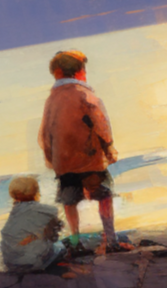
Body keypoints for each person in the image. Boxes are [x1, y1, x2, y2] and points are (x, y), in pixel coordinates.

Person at [38, 49, 129, 252]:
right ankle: (111, 240)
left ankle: (75, 241)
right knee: (103, 197)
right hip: (90, 159)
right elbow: (101, 125)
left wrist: (50, 157)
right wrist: (109, 148)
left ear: (57, 73)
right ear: (80, 71)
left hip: (64, 162)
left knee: (70, 202)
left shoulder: (51, 100)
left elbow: (45, 133)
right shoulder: (86, 95)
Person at [0, 174, 65, 272]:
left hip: (11, 264)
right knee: (60, 247)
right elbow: (54, 234)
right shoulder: (48, 211)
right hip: (35, 263)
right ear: (36, 194)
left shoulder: (14, 213)